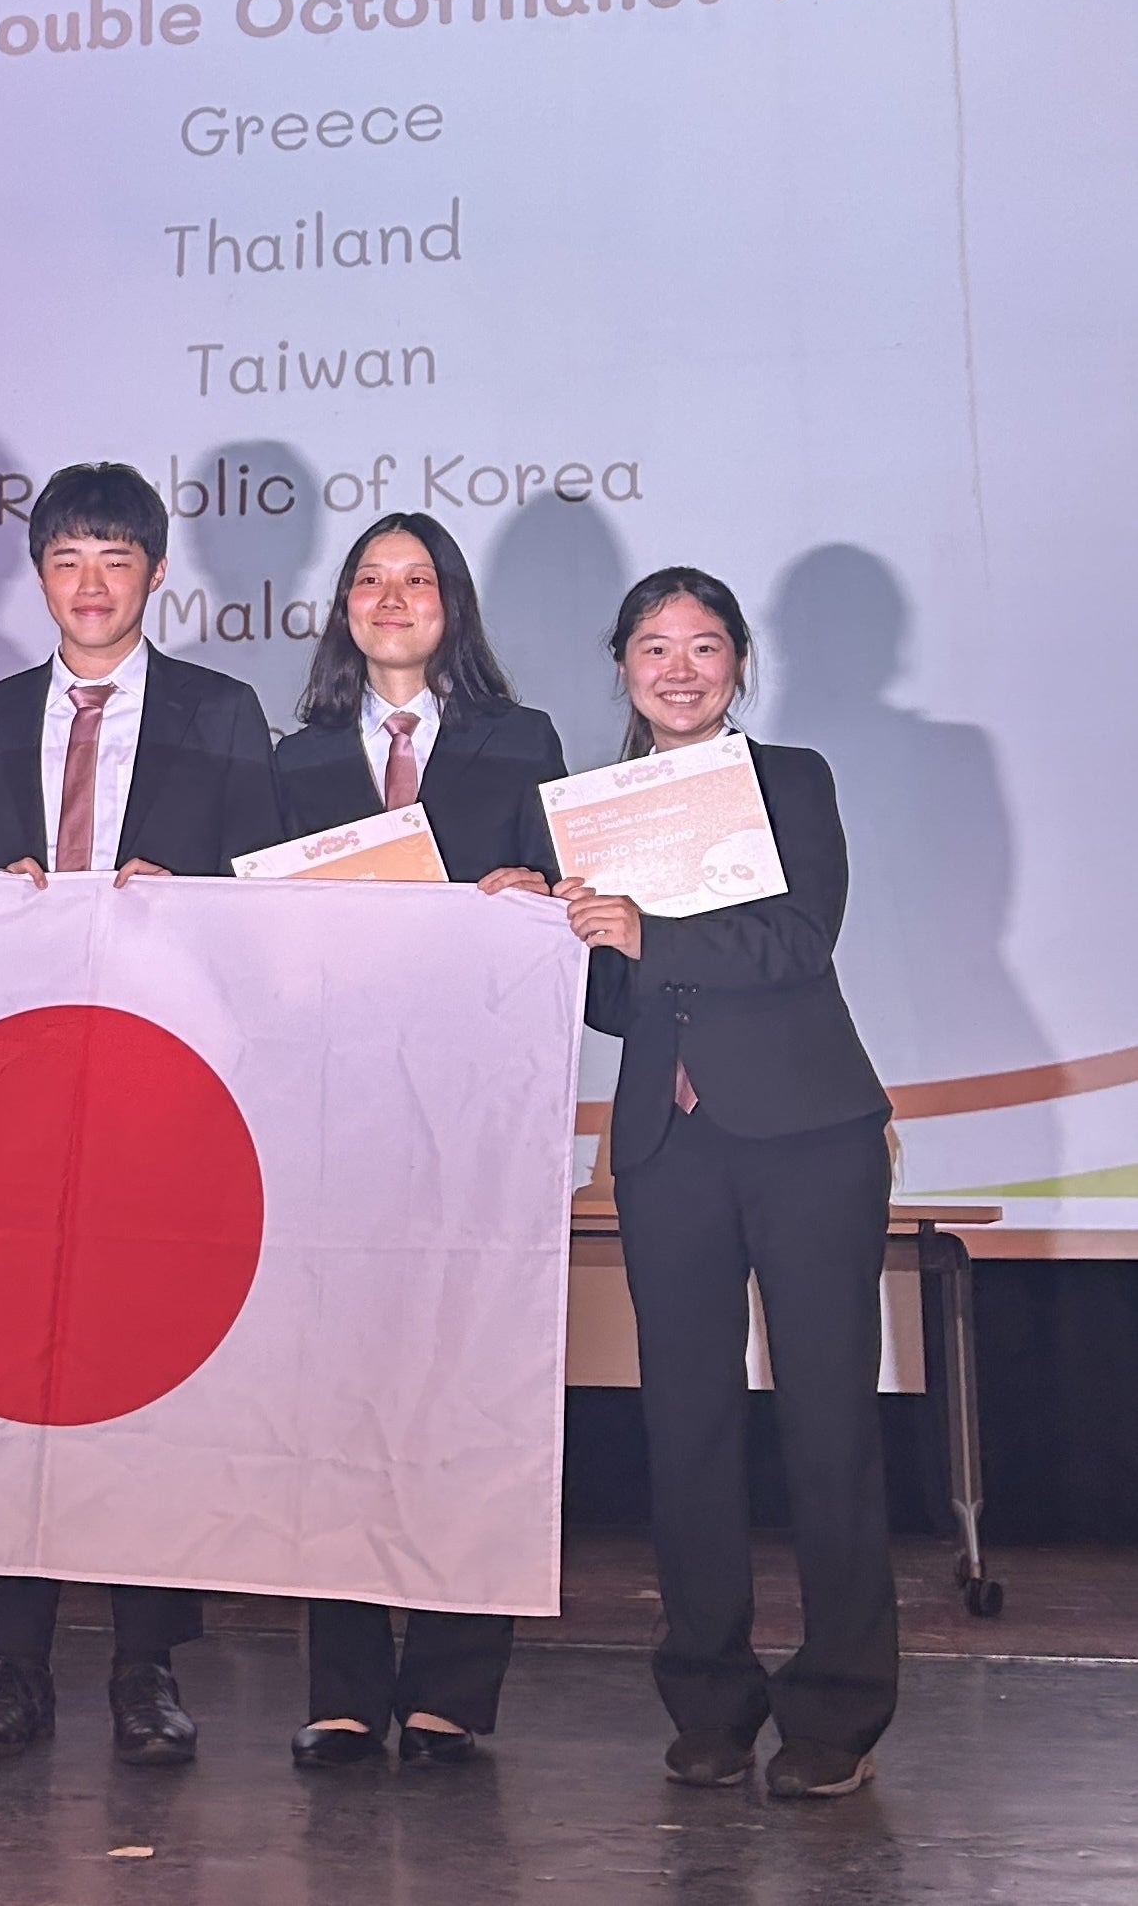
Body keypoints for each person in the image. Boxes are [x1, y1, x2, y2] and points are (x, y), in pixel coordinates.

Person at [0, 460, 282, 1766]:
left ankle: (147, 1664)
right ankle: (12, 1661)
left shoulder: (221, 712)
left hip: (160, 1077)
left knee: (147, 1368)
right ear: (39, 575)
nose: (91, 584)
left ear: (155, 572)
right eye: (68, 560)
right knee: (9, 1374)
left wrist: (185, 893)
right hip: (15, 1088)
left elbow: (268, 895)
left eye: (115, 559)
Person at [559, 567, 896, 1800]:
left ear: (739, 663)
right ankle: (706, 1696)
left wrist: (649, 933)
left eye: (704, 645)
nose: (679, 668)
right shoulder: (592, 809)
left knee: (827, 1418)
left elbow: (800, 937)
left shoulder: (789, 778)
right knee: (685, 1423)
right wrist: (556, 929)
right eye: (654, 645)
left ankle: (838, 1708)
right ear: (622, 665)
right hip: (666, 1143)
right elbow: (612, 1002)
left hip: (808, 1134)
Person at [273, 511, 566, 1769]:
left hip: (474, 1109)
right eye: (368, 579)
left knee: (467, 1380)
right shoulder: (291, 756)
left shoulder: (521, 740)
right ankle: (341, 1683)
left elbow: (564, 894)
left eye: (416, 579)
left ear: (453, 604)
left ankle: (452, 1680)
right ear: (342, 606)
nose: (391, 598)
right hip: (332, 1111)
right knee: (337, 1396)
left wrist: (531, 893)